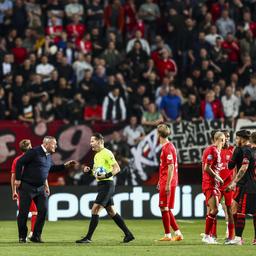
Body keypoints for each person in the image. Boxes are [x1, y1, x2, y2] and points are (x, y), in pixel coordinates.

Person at [15, 136, 77, 243]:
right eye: (54, 144)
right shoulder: (34, 151)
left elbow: (50, 169)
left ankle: (36, 236)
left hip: (40, 188)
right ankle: (22, 236)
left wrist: (65, 166)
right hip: (27, 187)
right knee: (23, 213)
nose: (56, 146)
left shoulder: (48, 156)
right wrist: (18, 179)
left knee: (43, 211)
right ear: (46, 144)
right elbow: (20, 162)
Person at [75, 133, 134, 244]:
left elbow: (117, 168)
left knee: (95, 209)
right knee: (111, 212)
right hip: (102, 184)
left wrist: (107, 175)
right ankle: (128, 234)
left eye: (92, 141)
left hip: (107, 184)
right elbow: (98, 174)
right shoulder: (97, 155)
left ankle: (88, 237)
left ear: (99, 141)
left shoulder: (107, 153)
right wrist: (89, 172)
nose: (90, 143)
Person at [227, 130, 256, 245]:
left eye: (237, 138)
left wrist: (234, 182)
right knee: (252, 212)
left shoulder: (246, 151)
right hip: (252, 185)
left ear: (243, 139)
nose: (236, 140)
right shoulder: (252, 151)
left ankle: (238, 238)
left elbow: (243, 168)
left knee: (240, 211)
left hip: (246, 185)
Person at [156, 124, 183, 241]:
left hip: (168, 181)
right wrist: (159, 180)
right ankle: (177, 233)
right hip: (165, 180)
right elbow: (165, 167)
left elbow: (171, 167)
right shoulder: (168, 147)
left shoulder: (168, 148)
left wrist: (167, 184)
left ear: (159, 134)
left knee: (164, 207)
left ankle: (168, 235)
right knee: (165, 208)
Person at [11, 139, 37, 240]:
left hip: (21, 189)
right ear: (29, 147)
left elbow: (13, 177)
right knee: (34, 212)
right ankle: (31, 233)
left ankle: (23, 236)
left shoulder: (16, 160)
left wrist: (13, 191)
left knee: (23, 212)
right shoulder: (34, 159)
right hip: (31, 188)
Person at [202, 131, 225, 244]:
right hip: (210, 184)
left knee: (214, 209)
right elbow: (206, 167)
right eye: (224, 139)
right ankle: (207, 236)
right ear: (220, 139)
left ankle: (208, 235)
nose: (225, 141)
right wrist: (218, 177)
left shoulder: (213, 150)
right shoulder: (212, 150)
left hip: (212, 184)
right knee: (215, 209)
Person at [219, 130, 235, 243]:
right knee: (213, 209)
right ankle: (211, 235)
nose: (227, 139)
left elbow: (237, 169)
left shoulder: (233, 150)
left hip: (229, 185)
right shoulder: (216, 150)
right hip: (218, 184)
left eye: (229, 136)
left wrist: (234, 183)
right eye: (225, 137)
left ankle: (231, 234)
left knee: (230, 209)